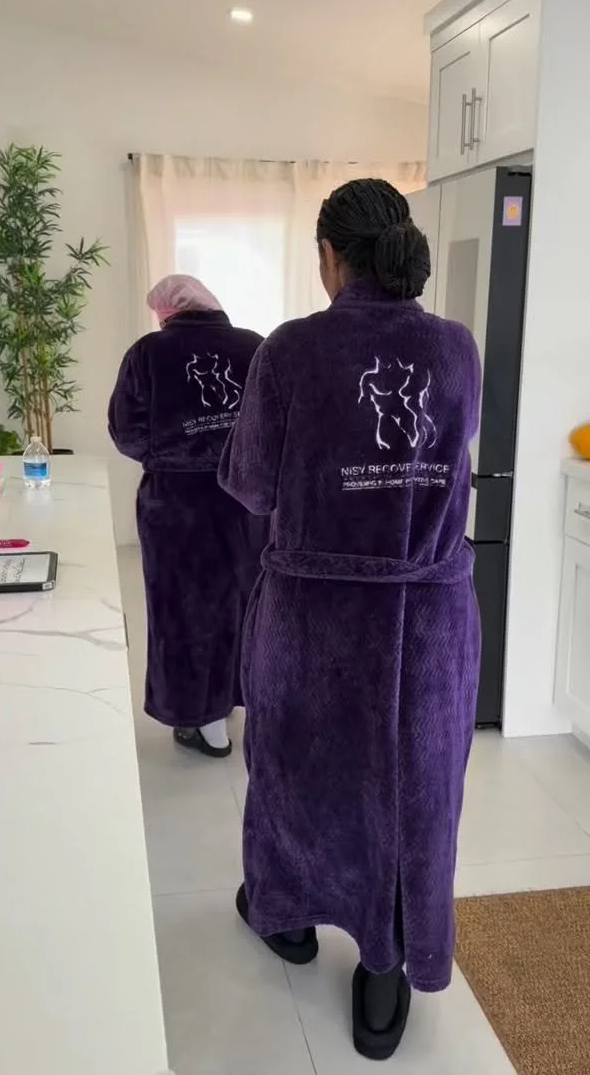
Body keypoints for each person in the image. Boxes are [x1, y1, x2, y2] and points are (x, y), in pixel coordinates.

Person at [218, 180, 481, 1059]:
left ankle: (287, 914)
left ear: (330, 256)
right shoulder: (456, 347)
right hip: (431, 622)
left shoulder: (292, 349)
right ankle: (385, 968)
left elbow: (252, 484)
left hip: (315, 622)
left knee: (298, 773)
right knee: (416, 791)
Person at [109, 274, 266, 758]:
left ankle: (204, 721)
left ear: (166, 311)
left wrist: (170, 456)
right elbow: (276, 424)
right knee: (244, 602)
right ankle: (237, 699)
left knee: (183, 612)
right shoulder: (254, 346)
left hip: (177, 507)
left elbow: (126, 432)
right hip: (246, 501)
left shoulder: (148, 353)